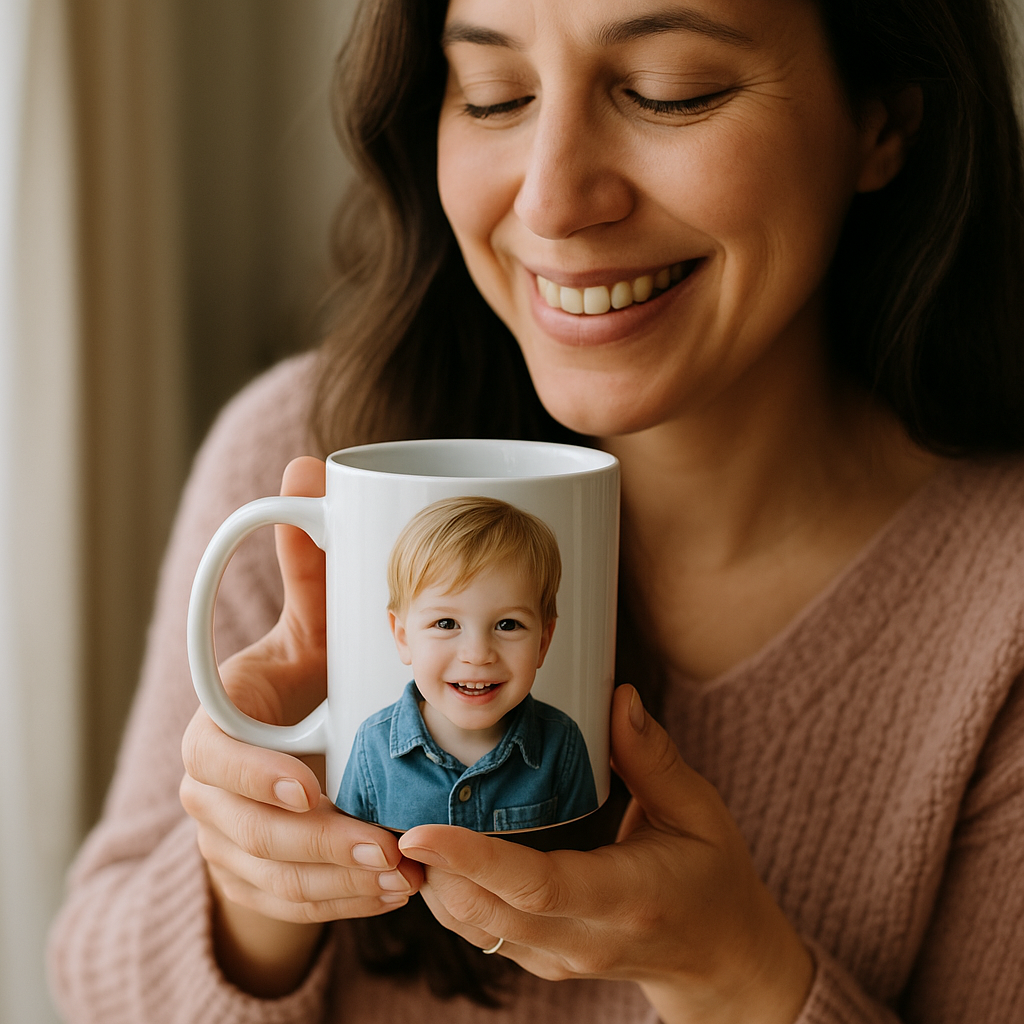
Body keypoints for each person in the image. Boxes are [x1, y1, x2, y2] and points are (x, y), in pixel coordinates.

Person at [48, 0, 1024, 1021]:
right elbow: (97, 986)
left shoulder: (996, 616)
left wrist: (734, 973)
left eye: (669, 93)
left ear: (883, 118)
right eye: (493, 96)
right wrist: (256, 890)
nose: (553, 202)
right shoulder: (307, 464)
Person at [336, 496, 599, 832]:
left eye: (507, 624)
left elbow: (583, 853)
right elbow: (348, 855)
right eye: (446, 623)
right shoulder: (373, 746)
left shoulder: (562, 744)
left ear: (543, 643)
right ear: (403, 637)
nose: (477, 654)